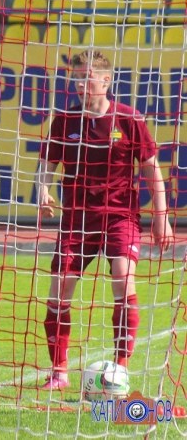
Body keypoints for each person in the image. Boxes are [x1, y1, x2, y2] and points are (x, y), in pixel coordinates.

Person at [36, 49, 174, 390]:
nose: (81, 85)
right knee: (59, 292)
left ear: (106, 81)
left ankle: (121, 367)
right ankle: (60, 372)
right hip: (77, 219)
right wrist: (42, 189)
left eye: (87, 79)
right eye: (77, 79)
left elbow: (152, 169)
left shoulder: (129, 119)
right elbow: (46, 163)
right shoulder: (64, 122)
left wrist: (162, 217)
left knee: (122, 280)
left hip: (120, 218)